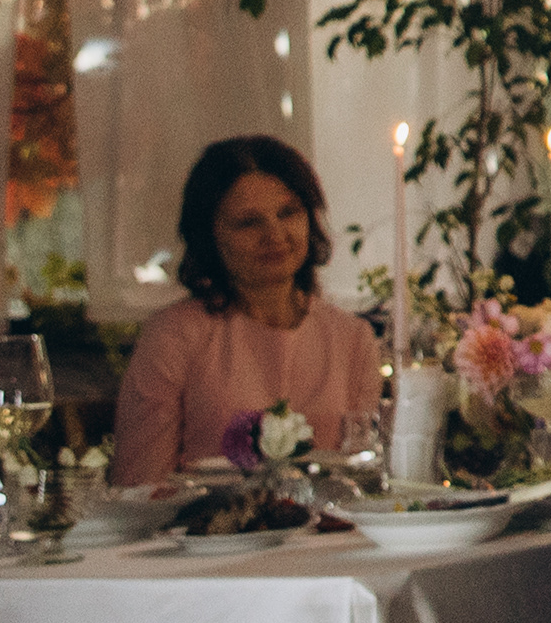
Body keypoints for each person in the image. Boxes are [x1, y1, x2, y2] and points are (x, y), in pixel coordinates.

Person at [107, 137, 386, 487]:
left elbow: (363, 477)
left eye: (288, 213)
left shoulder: (352, 339)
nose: (274, 234)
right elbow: (139, 484)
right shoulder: (174, 336)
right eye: (249, 222)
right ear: (210, 235)